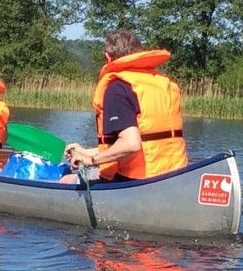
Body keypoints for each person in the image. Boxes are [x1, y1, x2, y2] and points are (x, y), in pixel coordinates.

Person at [63, 30, 188, 181]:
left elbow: (131, 144)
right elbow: (145, 142)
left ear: (107, 57)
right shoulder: (162, 84)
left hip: (137, 181)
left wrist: (91, 160)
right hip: (176, 175)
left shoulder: (118, 86)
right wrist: (85, 152)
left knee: (66, 180)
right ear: (139, 54)